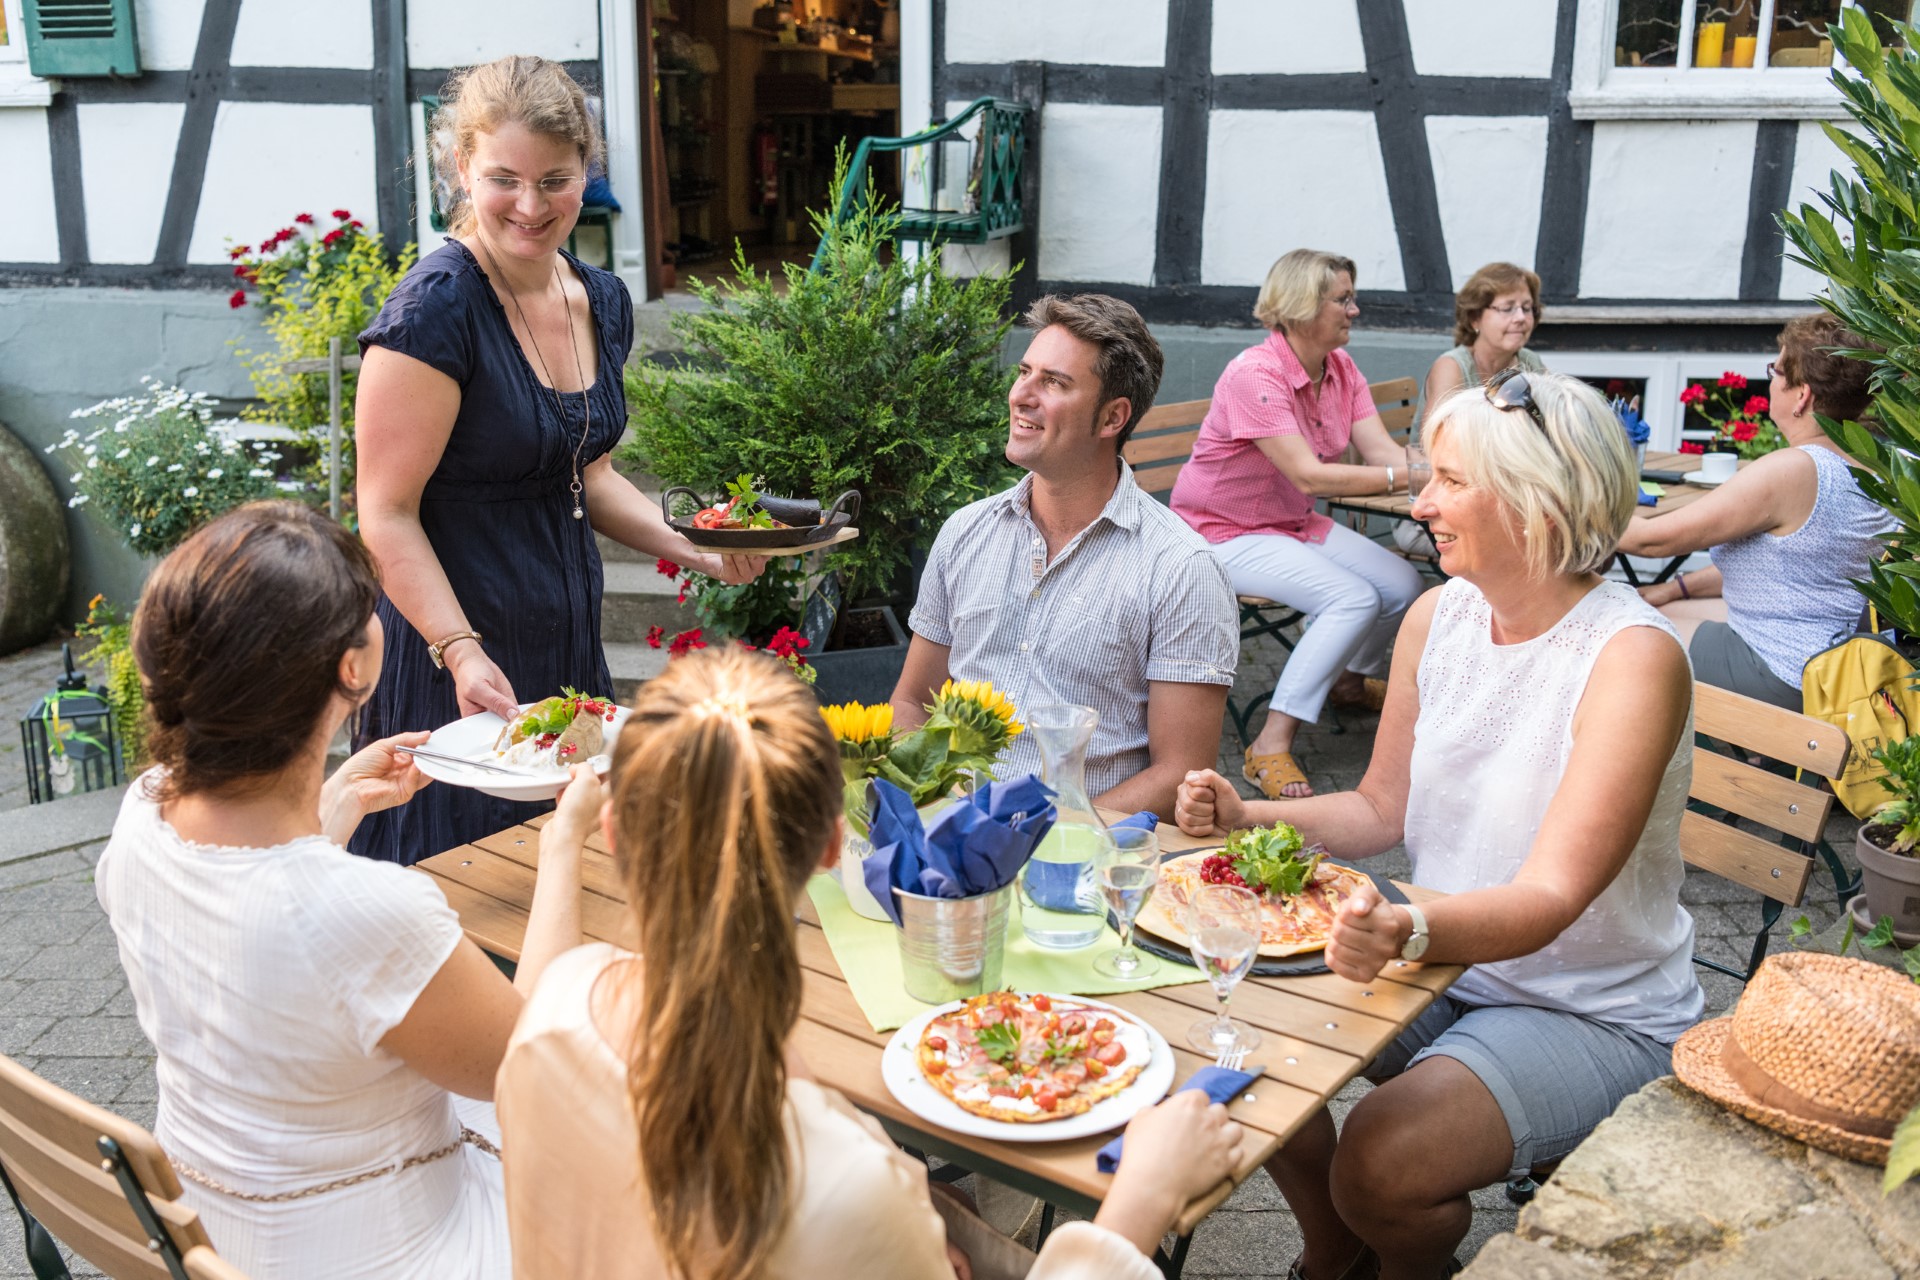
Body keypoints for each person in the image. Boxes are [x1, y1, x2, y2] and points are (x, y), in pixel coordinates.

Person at [1174, 372, 1703, 1280]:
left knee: (1379, 1159)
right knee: (1221, 1035)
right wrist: (1245, 811)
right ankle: (1333, 1252)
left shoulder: (1632, 660)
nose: (1421, 503)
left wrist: (1405, 926)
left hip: (1588, 1007)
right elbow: (1382, 809)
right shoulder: (1437, 615)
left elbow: (1552, 896)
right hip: (1441, 960)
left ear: (1539, 501)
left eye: (1450, 481)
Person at [496, 646, 1246, 1279]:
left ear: (616, 832)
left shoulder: (554, 1009)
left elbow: (551, 998)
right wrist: (1142, 1196)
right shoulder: (840, 1183)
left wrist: (562, 842)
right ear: (833, 848)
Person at [95, 501, 596, 1280]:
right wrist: (562, 842)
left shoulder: (144, 816)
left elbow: (255, 915)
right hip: (405, 1253)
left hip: (216, 1237)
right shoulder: (367, 911)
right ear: (352, 669)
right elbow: (531, 1065)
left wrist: (340, 801)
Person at [352, 54, 762, 865]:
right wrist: (459, 649)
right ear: (462, 167)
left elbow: (589, 472)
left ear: (588, 173)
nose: (531, 206)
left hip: (564, 652)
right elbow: (385, 513)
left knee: (570, 883)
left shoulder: (602, 301)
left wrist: (698, 550)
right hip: (456, 662)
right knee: (461, 905)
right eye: (505, 178)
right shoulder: (433, 313)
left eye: (557, 180)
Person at [889, 293, 1238, 818]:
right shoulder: (965, 533)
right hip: (950, 834)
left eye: (1053, 382)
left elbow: (1179, 775)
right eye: (1024, 372)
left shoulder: (1182, 568)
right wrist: (934, 803)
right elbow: (912, 702)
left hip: (1084, 862)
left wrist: (1038, 835)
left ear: (1112, 418)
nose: (1021, 395)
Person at [1169, 249, 1422, 800]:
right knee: (1352, 598)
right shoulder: (1255, 374)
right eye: (1344, 299)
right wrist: (1418, 475)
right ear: (1304, 306)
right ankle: (1269, 746)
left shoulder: (1340, 368)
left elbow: (1380, 450)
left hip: (1289, 522)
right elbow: (1310, 476)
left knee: (1403, 585)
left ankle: (1348, 682)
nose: (1354, 310)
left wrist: (1445, 472)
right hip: (1219, 533)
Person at [1618, 313, 1891, 711]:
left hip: (1784, 667)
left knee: (1621, 627)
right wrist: (1670, 589)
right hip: (1834, 661)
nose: (1771, 380)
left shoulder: (1796, 469)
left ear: (1802, 395)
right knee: (1654, 605)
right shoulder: (1876, 461)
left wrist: (1559, 505)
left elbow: (1651, 539)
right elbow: (1774, 566)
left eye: (1777, 370)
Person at [1420, 262, 1547, 417]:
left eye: (1527, 308)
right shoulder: (1451, 367)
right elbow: (1435, 437)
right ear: (1475, 318)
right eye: (1507, 308)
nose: (1521, 317)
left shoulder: (1530, 361)